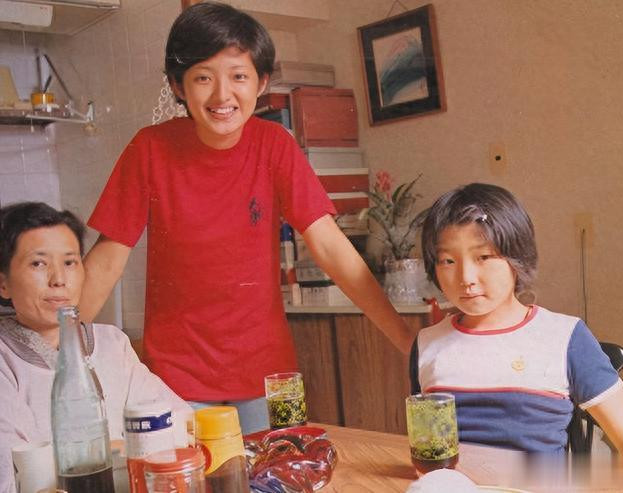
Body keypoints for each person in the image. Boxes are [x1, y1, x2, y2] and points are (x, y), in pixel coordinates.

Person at [79, 2, 413, 433]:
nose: (222, 96)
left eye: (238, 76)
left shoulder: (275, 145)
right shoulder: (149, 149)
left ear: (262, 82)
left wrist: (405, 340)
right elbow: (108, 259)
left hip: (270, 376)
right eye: (203, 78)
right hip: (176, 379)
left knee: (283, 466)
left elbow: (331, 247)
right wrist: (57, 353)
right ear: (178, 85)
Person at [411, 183, 623, 462]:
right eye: (447, 261)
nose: (466, 277)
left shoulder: (565, 337)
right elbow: (429, 452)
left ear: (517, 256)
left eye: (484, 257)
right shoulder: (426, 343)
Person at [0, 202, 191, 492]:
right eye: (38, 263)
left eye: (70, 262)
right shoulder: (6, 359)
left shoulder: (111, 343)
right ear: (3, 283)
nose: (59, 280)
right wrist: (127, 449)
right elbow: (10, 474)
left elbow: (179, 423)